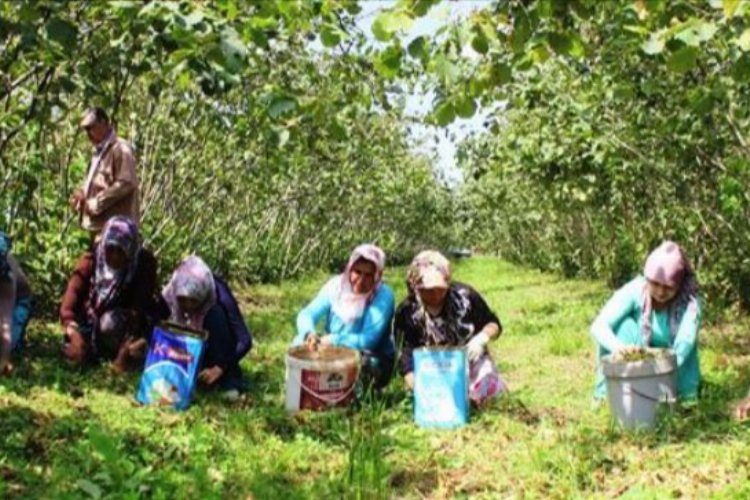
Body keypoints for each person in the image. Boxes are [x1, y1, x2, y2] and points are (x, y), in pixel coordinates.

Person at [590, 240, 701, 400]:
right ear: (647, 277)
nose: (661, 292)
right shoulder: (636, 290)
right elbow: (599, 326)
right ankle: (606, 393)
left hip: (675, 361)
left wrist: (656, 366)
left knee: (680, 395)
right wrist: (619, 348)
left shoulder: (690, 304)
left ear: (679, 285)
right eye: (655, 283)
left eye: (669, 287)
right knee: (623, 326)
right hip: (638, 351)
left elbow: (684, 344)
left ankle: (683, 395)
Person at [395, 250, 507, 404]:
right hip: (431, 366)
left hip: (469, 360)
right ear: (415, 286)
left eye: (440, 289)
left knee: (489, 390)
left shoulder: (465, 297)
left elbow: (493, 323)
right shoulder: (407, 311)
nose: (435, 295)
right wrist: (414, 385)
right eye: (427, 290)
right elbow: (405, 354)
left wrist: (482, 338)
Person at [293, 244, 396, 390]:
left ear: (377, 275)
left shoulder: (383, 296)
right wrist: (309, 333)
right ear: (349, 269)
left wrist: (333, 340)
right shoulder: (336, 287)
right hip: (332, 349)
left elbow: (368, 340)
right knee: (298, 343)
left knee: (365, 364)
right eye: (357, 272)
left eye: (368, 275)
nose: (361, 280)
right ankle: (311, 386)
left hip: (371, 355)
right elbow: (307, 313)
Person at [60, 216, 157, 371]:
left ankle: (120, 352)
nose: (115, 257)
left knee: (109, 325)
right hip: (89, 323)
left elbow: (137, 313)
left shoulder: (143, 265)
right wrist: (75, 336)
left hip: (121, 327)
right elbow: (68, 307)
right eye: (110, 249)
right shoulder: (90, 260)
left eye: (121, 251)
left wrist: (121, 358)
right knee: (69, 350)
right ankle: (89, 348)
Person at [157, 255, 252, 398]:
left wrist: (220, 367)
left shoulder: (219, 294)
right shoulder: (172, 291)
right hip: (187, 350)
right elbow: (155, 321)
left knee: (216, 315)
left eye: (193, 301)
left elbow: (244, 340)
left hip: (217, 349)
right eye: (183, 301)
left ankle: (229, 379)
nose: (188, 307)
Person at [69, 107, 139, 240]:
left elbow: (127, 182)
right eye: (86, 130)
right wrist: (82, 199)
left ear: (104, 123)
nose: (88, 134)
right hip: (99, 230)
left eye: (91, 128)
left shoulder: (120, 149)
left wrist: (97, 203)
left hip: (118, 234)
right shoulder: (98, 153)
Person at [0, 231, 32, 375]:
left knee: (6, 344)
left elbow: (5, 320)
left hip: (18, 301)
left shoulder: (6, 275)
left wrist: (4, 359)